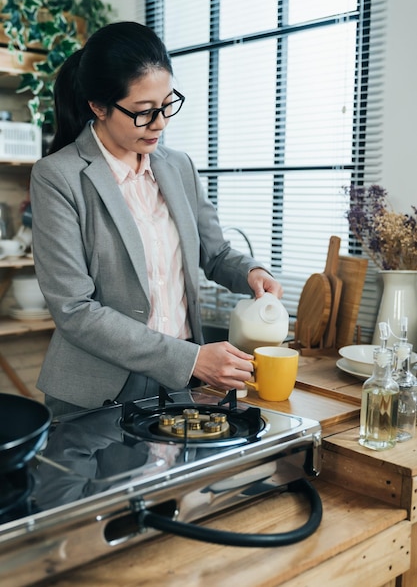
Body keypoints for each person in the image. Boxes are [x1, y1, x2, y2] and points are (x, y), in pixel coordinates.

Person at [30, 21, 283, 416]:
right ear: (98, 106)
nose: (161, 122)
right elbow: (74, 310)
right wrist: (190, 359)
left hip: (177, 387)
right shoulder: (57, 176)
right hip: (97, 393)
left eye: (167, 104)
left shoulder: (178, 167)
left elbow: (213, 253)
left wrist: (251, 272)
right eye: (144, 112)